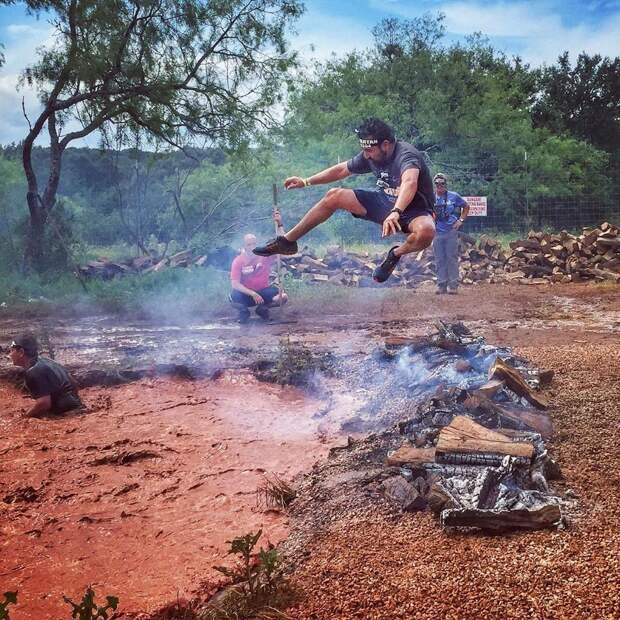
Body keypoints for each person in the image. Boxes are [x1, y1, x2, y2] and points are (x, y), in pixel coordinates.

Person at [253, 118, 435, 283]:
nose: (366, 155)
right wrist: (306, 181)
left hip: (414, 211)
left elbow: (410, 182)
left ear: (385, 145)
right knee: (334, 195)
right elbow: (341, 170)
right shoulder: (370, 155)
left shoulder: (407, 155)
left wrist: (396, 212)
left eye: (369, 150)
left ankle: (395, 254)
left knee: (426, 231)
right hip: (383, 203)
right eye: (364, 150)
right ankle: (287, 242)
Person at [230, 209, 288, 323]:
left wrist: (279, 223)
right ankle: (244, 313)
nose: (252, 247)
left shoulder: (264, 255)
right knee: (233, 297)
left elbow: (284, 244)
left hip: (263, 291)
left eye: (254, 244)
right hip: (246, 294)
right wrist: (252, 293)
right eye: (249, 244)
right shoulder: (238, 261)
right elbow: (235, 284)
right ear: (244, 246)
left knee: (283, 296)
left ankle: (262, 309)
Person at [8, 333, 83, 417]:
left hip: (67, 415)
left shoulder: (33, 372)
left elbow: (44, 403)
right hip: (77, 407)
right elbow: (73, 382)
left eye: (11, 350)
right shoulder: (45, 360)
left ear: (21, 352)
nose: (10, 355)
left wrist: (25, 417)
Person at [432, 173, 469, 295]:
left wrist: (461, 220)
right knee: (439, 259)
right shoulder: (431, 197)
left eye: (442, 183)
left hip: (451, 231)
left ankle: (453, 286)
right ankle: (441, 285)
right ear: (434, 184)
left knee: (451, 258)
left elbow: (466, 206)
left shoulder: (454, 196)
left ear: (445, 184)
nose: (439, 186)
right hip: (437, 232)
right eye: (437, 183)